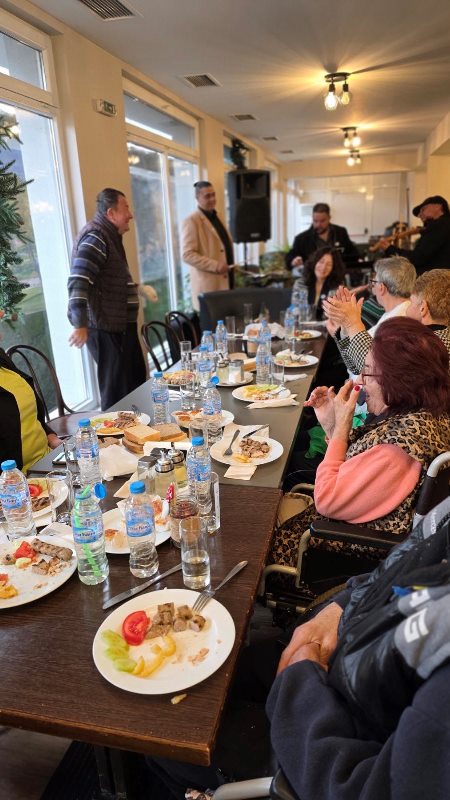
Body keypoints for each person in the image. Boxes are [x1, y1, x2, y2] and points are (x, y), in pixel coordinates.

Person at [270, 318, 450, 574]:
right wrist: (332, 425)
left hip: (335, 552)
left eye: (368, 372)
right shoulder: (421, 414)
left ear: (398, 380)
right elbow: (357, 468)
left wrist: (341, 430)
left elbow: (327, 500)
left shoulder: (399, 448)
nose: (361, 381)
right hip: (349, 523)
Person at [67, 188, 156, 411]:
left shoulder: (109, 236)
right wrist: (79, 324)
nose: (130, 215)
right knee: (118, 395)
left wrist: (137, 289)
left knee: (135, 386)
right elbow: (79, 279)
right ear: (111, 213)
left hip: (119, 327)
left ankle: (141, 429)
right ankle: (116, 433)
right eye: (126, 208)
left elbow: (108, 282)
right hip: (106, 329)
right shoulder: (96, 237)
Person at [324, 255, 415, 375]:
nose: (372, 287)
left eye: (373, 282)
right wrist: (343, 331)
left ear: (381, 288)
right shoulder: (397, 312)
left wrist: (349, 325)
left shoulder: (398, 321)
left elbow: (368, 369)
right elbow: (355, 366)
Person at [0, 348, 61, 472]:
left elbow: (31, 416)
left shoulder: (2, 359)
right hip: (18, 479)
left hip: (49, 460)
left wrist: (53, 439)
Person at [181, 181, 236, 311]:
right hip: (209, 289)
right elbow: (187, 255)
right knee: (213, 324)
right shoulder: (191, 221)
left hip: (227, 283)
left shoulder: (219, 216)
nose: (212, 199)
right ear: (197, 198)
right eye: (207, 196)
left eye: (213, 195)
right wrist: (215, 265)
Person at [379, 195, 450, 274]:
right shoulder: (443, 225)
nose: (419, 215)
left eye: (423, 209)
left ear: (438, 206)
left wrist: (390, 249)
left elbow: (418, 258)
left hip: (435, 279)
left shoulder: (439, 225)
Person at [285, 202, 359, 271]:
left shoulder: (340, 232)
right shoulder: (301, 239)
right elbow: (290, 257)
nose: (318, 225)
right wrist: (293, 261)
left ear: (329, 218)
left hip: (338, 275)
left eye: (322, 221)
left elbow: (353, 252)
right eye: (315, 221)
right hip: (313, 277)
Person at [293, 246, 345, 319]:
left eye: (329, 264)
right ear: (315, 262)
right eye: (321, 262)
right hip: (303, 324)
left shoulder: (337, 287)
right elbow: (296, 310)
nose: (323, 267)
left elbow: (335, 314)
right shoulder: (300, 284)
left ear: (333, 268)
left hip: (328, 325)